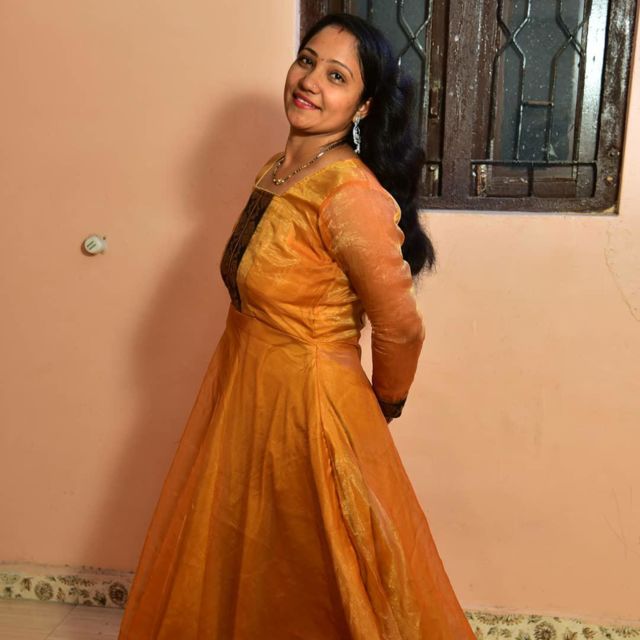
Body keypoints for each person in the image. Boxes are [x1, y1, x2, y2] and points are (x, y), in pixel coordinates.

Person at [117, 12, 476, 640]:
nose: (309, 81)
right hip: (246, 392)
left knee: (322, 571)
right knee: (254, 563)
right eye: (307, 61)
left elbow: (400, 327)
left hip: (309, 411)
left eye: (336, 76)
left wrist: (382, 405)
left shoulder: (348, 194)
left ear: (363, 106)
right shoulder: (277, 172)